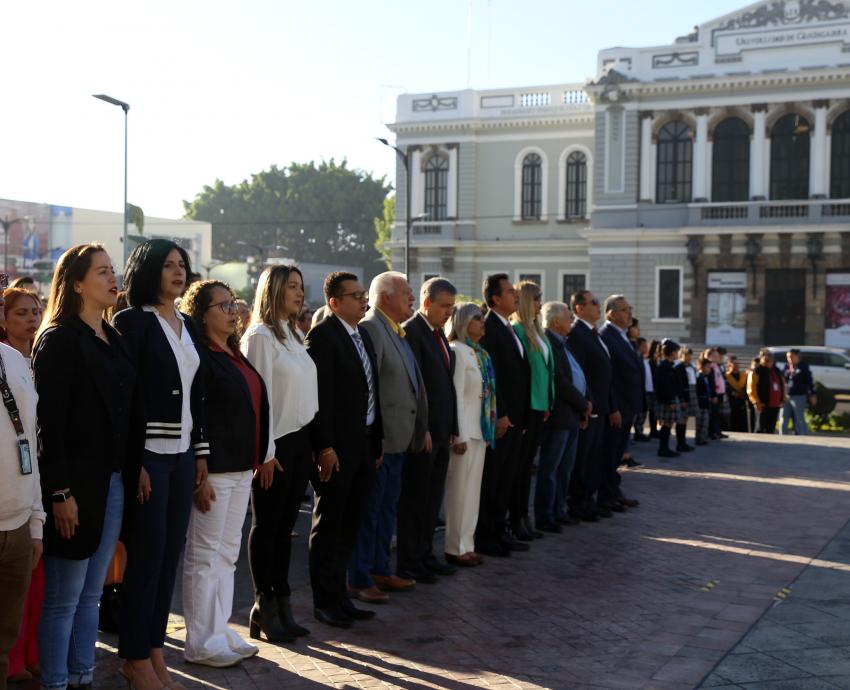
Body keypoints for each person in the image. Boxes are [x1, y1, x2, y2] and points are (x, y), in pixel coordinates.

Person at [32, 244, 141, 690]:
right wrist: (59, 492)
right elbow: (49, 427)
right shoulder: (58, 339)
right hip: (73, 487)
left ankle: (82, 676)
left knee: (92, 595)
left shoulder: (113, 338)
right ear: (77, 282)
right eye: (102, 272)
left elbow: (127, 413)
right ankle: (56, 683)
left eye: (113, 271)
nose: (113, 278)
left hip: (113, 481)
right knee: (63, 598)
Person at [113, 238, 209, 690]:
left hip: (183, 455)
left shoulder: (186, 322)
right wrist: (137, 464)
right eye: (168, 265)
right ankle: (132, 656)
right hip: (150, 456)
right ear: (148, 271)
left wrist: (201, 455)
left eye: (182, 265)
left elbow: (198, 396)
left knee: (169, 558)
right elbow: (125, 399)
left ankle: (153, 647)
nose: (177, 272)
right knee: (146, 560)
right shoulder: (131, 322)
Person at [180, 280, 270, 666]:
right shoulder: (200, 354)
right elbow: (196, 414)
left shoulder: (233, 353)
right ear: (202, 314)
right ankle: (200, 641)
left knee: (226, 556)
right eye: (223, 306)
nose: (233, 311)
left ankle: (218, 630)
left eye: (233, 303)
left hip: (239, 466)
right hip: (214, 469)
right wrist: (200, 463)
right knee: (204, 556)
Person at [241, 265, 317, 642]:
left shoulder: (291, 331)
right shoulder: (260, 336)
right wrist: (265, 453)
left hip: (300, 441)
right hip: (275, 444)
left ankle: (282, 601)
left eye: (301, 287)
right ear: (273, 290)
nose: (299, 293)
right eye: (292, 286)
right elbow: (258, 399)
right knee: (267, 527)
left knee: (285, 530)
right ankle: (263, 603)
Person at [304, 272, 383, 628]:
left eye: (364, 294)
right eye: (354, 295)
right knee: (329, 525)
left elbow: (371, 389)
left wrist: (376, 439)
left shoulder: (361, 334)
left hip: (364, 445)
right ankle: (325, 601)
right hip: (336, 449)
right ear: (334, 302)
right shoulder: (322, 336)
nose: (363, 300)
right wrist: (325, 445)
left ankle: (342, 597)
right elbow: (321, 397)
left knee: (350, 523)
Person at [349, 271, 427, 600]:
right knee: (370, 510)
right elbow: (371, 388)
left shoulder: (395, 330)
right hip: (382, 441)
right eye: (406, 293)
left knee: (386, 509)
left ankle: (380, 569)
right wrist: (375, 437)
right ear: (385, 297)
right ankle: (360, 577)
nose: (412, 298)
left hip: (400, 439)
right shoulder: (372, 328)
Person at [398, 277, 458, 580]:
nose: (449, 312)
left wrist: (452, 426)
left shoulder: (439, 335)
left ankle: (425, 553)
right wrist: (423, 429)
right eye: (445, 306)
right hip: (424, 434)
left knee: (432, 498)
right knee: (416, 498)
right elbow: (416, 388)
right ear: (427, 303)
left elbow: (447, 385)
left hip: (442, 431)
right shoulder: (412, 332)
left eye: (452, 307)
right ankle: (410, 559)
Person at [2, 288, 43, 683]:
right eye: (20, 312)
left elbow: (28, 438)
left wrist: (35, 515)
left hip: (22, 510)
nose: (31, 319)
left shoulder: (21, 362)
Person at [476, 274, 530, 556]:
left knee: (507, 478)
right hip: (502, 418)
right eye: (510, 292)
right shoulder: (489, 327)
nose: (515, 295)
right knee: (493, 479)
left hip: (516, 419)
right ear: (495, 298)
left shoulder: (508, 326)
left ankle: (499, 531)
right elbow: (492, 376)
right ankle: (485, 536)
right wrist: (502, 414)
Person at [444, 303, 494, 566]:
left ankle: (468, 543)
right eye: (477, 318)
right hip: (466, 432)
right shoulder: (458, 351)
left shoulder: (480, 353)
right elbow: (457, 396)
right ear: (462, 322)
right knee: (459, 492)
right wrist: (459, 434)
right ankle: (454, 547)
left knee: (472, 492)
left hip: (480, 430)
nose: (482, 321)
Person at [535, 302, 590, 533]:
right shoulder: (549, 343)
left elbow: (578, 374)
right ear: (556, 322)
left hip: (572, 416)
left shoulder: (564, 344)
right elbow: (561, 382)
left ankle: (559, 510)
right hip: (559, 417)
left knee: (564, 468)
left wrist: (585, 405)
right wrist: (582, 403)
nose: (571, 322)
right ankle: (545, 515)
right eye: (568, 318)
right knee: (550, 469)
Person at [510, 281, 553, 539]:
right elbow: (522, 375)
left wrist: (548, 401)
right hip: (527, 408)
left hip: (540, 406)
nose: (540, 303)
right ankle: (516, 517)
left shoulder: (538, 331)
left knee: (527, 467)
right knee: (520, 467)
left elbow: (548, 370)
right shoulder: (518, 331)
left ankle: (523, 516)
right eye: (537, 298)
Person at [567, 290, 614, 521]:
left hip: (601, 406)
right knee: (583, 459)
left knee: (594, 457)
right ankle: (578, 503)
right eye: (594, 303)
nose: (598, 306)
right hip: (588, 407)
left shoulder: (593, 333)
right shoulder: (577, 334)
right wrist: (586, 403)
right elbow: (579, 373)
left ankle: (589, 500)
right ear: (579, 309)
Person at [598, 294, 642, 513]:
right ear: (611, 313)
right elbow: (609, 377)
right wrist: (613, 406)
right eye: (625, 310)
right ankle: (606, 495)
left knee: (616, 454)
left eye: (629, 309)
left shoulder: (623, 335)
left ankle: (614, 492)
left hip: (628, 406)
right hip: (617, 407)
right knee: (610, 453)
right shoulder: (606, 335)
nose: (629, 314)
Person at [748, 349, 787, 434]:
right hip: (762, 404)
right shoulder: (757, 371)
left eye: (770, 355)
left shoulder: (777, 370)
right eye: (765, 355)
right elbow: (751, 388)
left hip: (775, 404)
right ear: (761, 357)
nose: (768, 357)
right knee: (760, 428)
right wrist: (756, 402)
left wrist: (783, 399)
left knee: (771, 428)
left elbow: (783, 385)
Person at [655, 339, 682, 458]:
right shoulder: (664, 366)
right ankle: (663, 449)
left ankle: (665, 448)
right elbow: (664, 386)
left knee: (669, 424)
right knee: (666, 424)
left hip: (671, 398)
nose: (678, 354)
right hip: (667, 400)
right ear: (671, 353)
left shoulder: (670, 365)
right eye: (676, 352)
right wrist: (670, 400)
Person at [780, 349, 816, 436]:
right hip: (787, 395)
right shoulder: (786, 367)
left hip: (799, 395)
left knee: (799, 417)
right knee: (784, 417)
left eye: (791, 356)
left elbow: (809, 381)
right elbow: (782, 379)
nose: (789, 358)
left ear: (798, 356)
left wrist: (812, 394)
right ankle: (782, 436)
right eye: (788, 357)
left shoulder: (803, 367)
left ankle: (803, 435)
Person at [1, 289, 42, 362]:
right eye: (21, 313)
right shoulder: (2, 356)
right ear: (3, 317)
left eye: (35, 312)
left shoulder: (46, 351)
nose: (32, 319)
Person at [673, 348, 697, 454]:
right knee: (681, 419)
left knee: (686, 418)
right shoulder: (679, 367)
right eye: (687, 355)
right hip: (684, 394)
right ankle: (680, 443)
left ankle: (683, 442)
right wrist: (682, 398)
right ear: (681, 355)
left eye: (690, 355)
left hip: (692, 392)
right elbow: (679, 384)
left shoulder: (692, 367)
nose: (689, 357)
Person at [633, 339, 653, 442]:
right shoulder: (637, 358)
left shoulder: (646, 360)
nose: (646, 348)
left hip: (649, 390)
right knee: (639, 413)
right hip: (642, 390)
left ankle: (640, 430)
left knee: (644, 412)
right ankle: (637, 431)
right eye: (644, 346)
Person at [725, 356, 749, 433]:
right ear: (729, 365)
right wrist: (731, 393)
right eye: (734, 363)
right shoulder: (726, 376)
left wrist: (743, 394)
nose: (736, 365)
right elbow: (725, 388)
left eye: (737, 363)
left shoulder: (743, 376)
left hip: (741, 403)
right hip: (731, 403)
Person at [696, 357, 714, 444]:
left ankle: (703, 437)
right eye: (708, 367)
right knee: (701, 422)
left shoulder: (705, 377)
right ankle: (700, 438)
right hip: (701, 403)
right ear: (701, 367)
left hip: (706, 402)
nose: (709, 369)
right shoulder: (699, 377)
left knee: (705, 421)